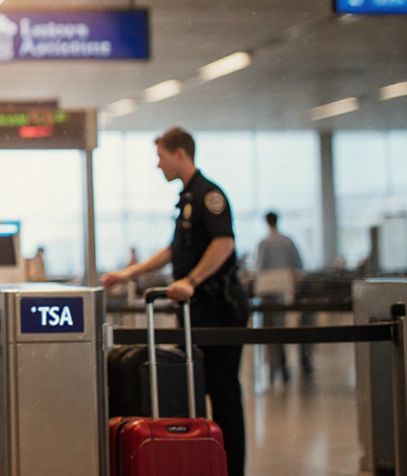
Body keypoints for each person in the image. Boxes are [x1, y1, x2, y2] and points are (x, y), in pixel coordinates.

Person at [103, 127, 249, 476]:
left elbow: (224, 243)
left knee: (224, 393)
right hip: (198, 310)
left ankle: (234, 470)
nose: (158, 165)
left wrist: (192, 281)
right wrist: (129, 274)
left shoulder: (209, 194)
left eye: (161, 157)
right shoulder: (187, 198)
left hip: (220, 308)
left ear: (180, 154)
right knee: (202, 389)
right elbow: (174, 250)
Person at [255, 211, 310, 381]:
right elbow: (299, 266)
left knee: (270, 330)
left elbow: (259, 267)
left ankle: (275, 365)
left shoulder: (264, 244)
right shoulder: (288, 241)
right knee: (285, 326)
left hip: (268, 294)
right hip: (285, 290)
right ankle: (286, 363)